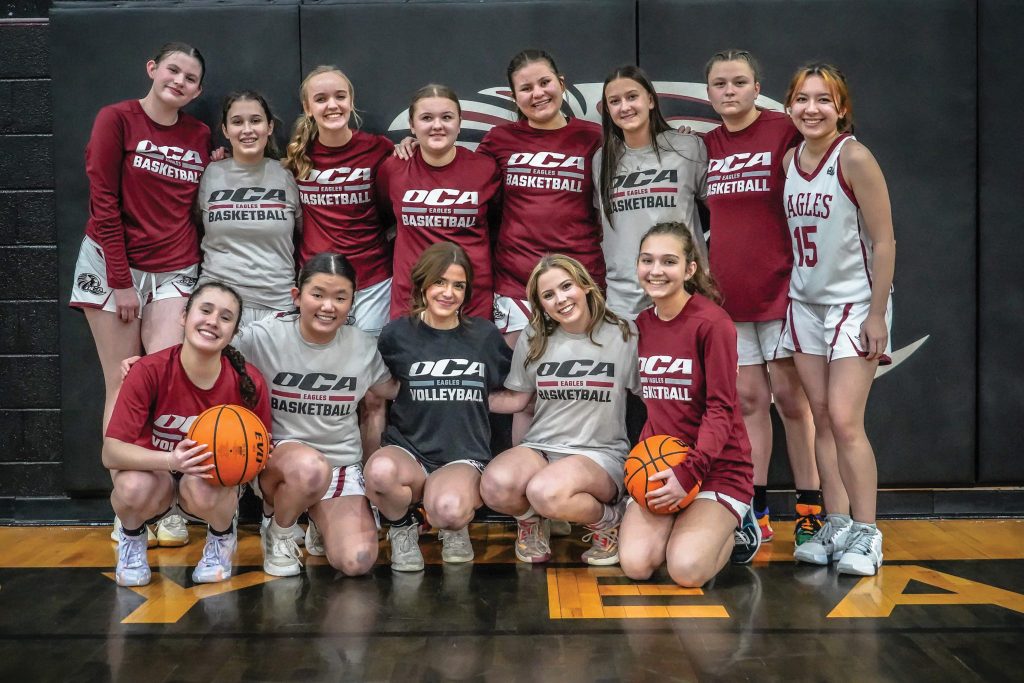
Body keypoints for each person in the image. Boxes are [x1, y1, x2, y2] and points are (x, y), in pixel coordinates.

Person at [69, 42, 211, 548]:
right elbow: (102, 199)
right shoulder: (117, 119)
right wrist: (121, 278)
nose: (179, 81)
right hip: (114, 263)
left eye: (190, 78)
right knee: (121, 381)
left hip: (175, 264)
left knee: (170, 379)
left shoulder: (199, 134)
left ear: (198, 90)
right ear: (152, 68)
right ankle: (129, 503)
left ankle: (168, 501)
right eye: (173, 69)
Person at [702, 50, 821, 545]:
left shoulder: (783, 131)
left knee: (794, 401)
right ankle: (755, 507)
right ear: (708, 92)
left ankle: (812, 506)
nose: (729, 91)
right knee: (749, 401)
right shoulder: (706, 146)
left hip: (783, 290)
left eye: (738, 82)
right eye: (719, 84)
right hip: (730, 295)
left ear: (757, 88)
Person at [782, 64, 895, 576]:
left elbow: (885, 240)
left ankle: (869, 533)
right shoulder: (789, 159)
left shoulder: (854, 156)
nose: (811, 108)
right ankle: (838, 521)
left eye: (823, 100)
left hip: (853, 303)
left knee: (847, 421)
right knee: (821, 417)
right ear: (788, 106)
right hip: (805, 303)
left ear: (841, 108)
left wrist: (876, 311)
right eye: (802, 99)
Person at [234, 253, 395, 577]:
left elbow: (393, 390)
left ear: (352, 302)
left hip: (339, 462)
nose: (328, 306)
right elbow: (206, 353)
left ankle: (319, 520)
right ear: (297, 296)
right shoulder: (264, 336)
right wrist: (145, 367)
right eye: (318, 294)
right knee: (309, 468)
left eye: (340, 297)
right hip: (281, 460)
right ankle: (277, 530)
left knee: (358, 560)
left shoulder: (363, 347)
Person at [618, 222, 760, 588]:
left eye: (668, 261)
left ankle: (738, 526)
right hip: (661, 461)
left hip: (715, 466)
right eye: (647, 260)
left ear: (689, 269)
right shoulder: (642, 325)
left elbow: (721, 410)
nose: (656, 271)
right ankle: (689, 525)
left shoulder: (712, 323)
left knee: (686, 570)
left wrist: (690, 472)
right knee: (636, 564)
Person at [104, 282, 270, 587]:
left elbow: (261, 450)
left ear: (233, 332)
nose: (212, 321)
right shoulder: (149, 371)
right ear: (184, 316)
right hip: (156, 475)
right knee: (131, 486)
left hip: (207, 481)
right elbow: (111, 452)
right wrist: (172, 459)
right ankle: (132, 539)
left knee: (210, 485)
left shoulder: (248, 381)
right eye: (205, 310)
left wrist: (240, 465)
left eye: (225, 317)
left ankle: (221, 538)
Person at [481, 255, 639, 566]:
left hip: (599, 454)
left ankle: (610, 521)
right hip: (542, 447)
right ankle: (532, 522)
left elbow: (652, 398)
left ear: (585, 285)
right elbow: (518, 403)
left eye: (566, 286)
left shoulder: (624, 333)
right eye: (549, 295)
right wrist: (462, 397)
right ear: (540, 304)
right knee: (495, 484)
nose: (561, 299)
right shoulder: (534, 336)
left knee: (545, 491)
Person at [365, 242, 513, 571]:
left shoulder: (484, 336)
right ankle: (402, 526)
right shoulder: (396, 335)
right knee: (378, 472)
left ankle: (453, 527)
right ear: (422, 284)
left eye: (458, 285)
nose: (448, 293)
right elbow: (381, 393)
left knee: (448, 509)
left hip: (462, 455)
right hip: (409, 452)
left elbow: (510, 388)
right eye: (440, 282)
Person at [282, 65, 394, 455]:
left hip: (373, 284)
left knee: (373, 396)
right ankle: (319, 483)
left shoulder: (379, 149)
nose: (333, 105)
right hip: (320, 289)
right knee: (317, 391)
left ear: (351, 100)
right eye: (321, 98)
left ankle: (367, 484)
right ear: (307, 107)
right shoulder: (296, 158)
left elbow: (394, 204)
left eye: (340, 96)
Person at [478, 49, 604, 348]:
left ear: (561, 83)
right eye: (525, 88)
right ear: (514, 97)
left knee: (577, 384)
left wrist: (676, 138)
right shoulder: (499, 139)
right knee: (522, 390)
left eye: (544, 82)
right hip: (516, 285)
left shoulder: (595, 137)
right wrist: (414, 147)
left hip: (580, 281)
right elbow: (456, 174)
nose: (537, 94)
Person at [376, 85, 500, 320]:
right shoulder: (393, 169)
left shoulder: (485, 169)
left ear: (459, 122)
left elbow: (497, 222)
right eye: (426, 118)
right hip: (411, 302)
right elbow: (383, 216)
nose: (437, 126)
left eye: (446, 117)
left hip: (471, 303)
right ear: (412, 125)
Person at [595, 64, 707, 319]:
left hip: (682, 288)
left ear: (651, 100)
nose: (624, 107)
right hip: (624, 297)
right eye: (615, 101)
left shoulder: (687, 147)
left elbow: (721, 212)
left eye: (632, 97)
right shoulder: (601, 160)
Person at [197, 90, 302, 326]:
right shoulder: (210, 173)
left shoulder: (289, 174)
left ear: (270, 127)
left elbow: (308, 236)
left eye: (255, 121)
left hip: (277, 304)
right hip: (217, 303)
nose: (247, 130)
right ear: (225, 130)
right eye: (237, 122)